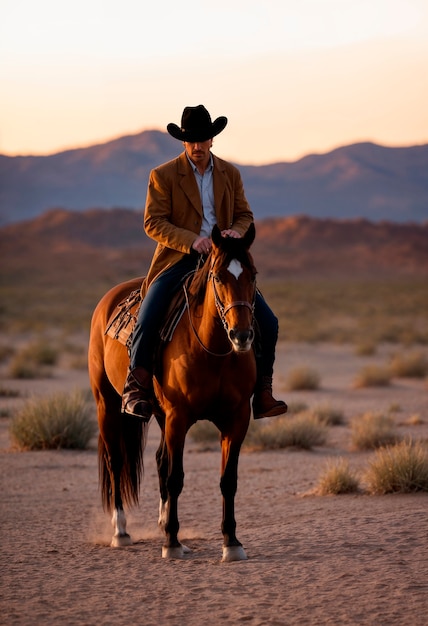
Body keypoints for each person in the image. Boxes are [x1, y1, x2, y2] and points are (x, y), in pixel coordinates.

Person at [122, 105, 287, 421]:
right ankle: (136, 387)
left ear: (212, 139)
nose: (197, 147)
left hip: (222, 259)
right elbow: (153, 222)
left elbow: (244, 216)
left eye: (203, 140)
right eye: (191, 141)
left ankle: (263, 393)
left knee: (268, 320)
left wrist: (233, 234)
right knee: (149, 313)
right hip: (179, 258)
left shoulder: (230, 173)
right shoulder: (163, 175)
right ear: (183, 142)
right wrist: (191, 240)